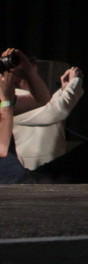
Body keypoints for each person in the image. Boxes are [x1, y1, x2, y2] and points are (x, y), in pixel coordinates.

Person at [1, 48, 51, 185]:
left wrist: (29, 71)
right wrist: (6, 103)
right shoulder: (4, 102)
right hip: (10, 182)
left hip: (21, 175)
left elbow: (42, 100)